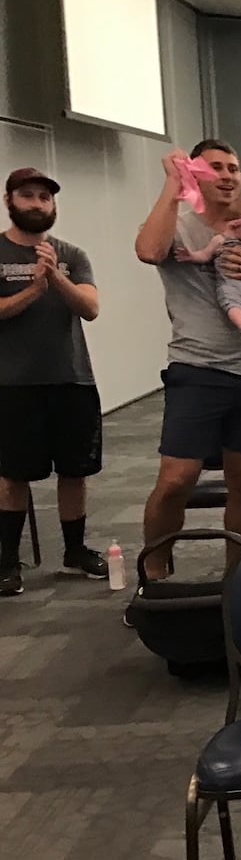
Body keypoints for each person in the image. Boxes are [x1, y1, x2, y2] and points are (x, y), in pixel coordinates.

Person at [134, 140, 241, 575]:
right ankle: (155, 574)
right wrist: (172, 185)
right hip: (198, 371)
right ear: (195, 174)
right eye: (215, 168)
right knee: (175, 482)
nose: (227, 175)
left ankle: (238, 579)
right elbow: (148, 251)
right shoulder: (180, 226)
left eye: (233, 167)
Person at [0, 167, 105, 594]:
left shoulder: (71, 254)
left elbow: (91, 308)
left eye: (45, 197)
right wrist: (34, 289)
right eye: (28, 196)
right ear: (10, 201)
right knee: (12, 475)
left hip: (72, 378)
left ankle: (75, 550)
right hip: (13, 384)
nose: (38, 204)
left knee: (75, 471)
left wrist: (56, 276)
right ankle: (8, 561)